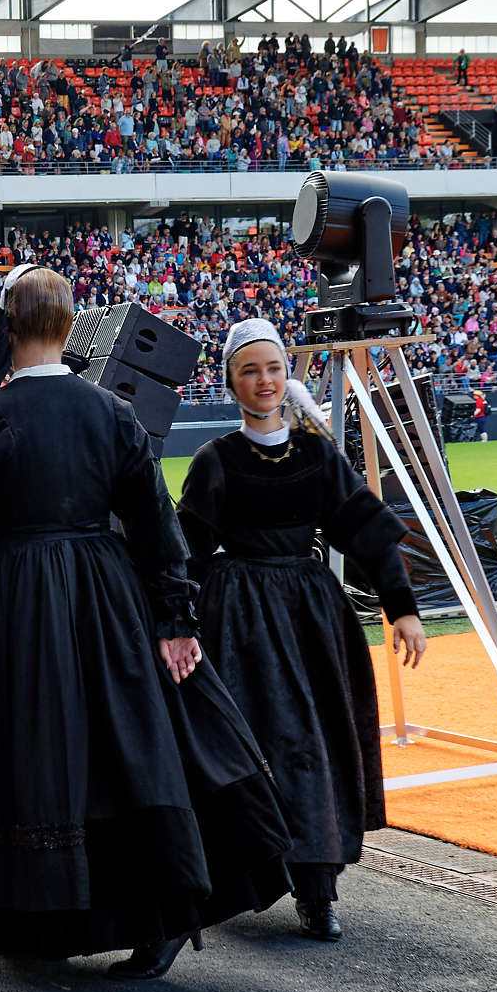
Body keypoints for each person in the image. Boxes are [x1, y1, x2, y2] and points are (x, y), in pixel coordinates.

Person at [0, 268, 292, 980]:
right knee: (124, 746)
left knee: (31, 748)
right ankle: (146, 919)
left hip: (22, 595)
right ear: (69, 327)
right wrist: (174, 618)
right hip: (105, 591)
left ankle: (34, 912)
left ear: (6, 327)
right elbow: (154, 522)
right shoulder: (111, 411)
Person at [176, 319, 427, 943]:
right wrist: (175, 624)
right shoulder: (215, 461)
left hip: (312, 622)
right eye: (249, 371)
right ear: (230, 382)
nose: (263, 380)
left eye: (272, 368)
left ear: (287, 375)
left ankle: (318, 890)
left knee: (314, 749)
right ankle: (236, 881)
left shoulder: (318, 456)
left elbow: (368, 533)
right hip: (237, 624)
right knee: (244, 747)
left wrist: (403, 608)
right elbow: (187, 555)